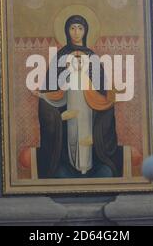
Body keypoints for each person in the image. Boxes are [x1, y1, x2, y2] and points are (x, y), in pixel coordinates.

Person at [32, 15, 123, 179]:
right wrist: (59, 117)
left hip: (90, 119)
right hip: (67, 123)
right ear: (66, 31)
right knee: (62, 168)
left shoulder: (93, 59)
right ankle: (67, 166)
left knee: (103, 170)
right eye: (72, 28)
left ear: (86, 31)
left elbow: (104, 97)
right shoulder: (59, 58)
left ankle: (92, 164)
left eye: (80, 28)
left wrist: (97, 136)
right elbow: (50, 96)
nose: (76, 32)